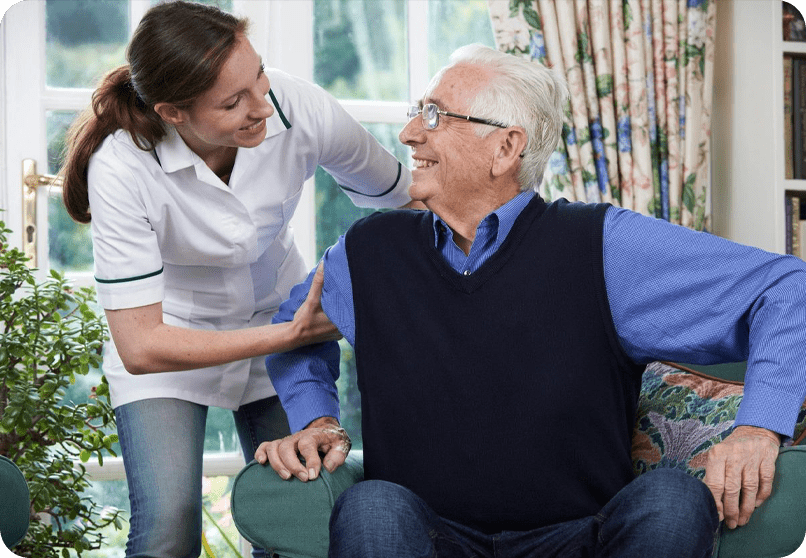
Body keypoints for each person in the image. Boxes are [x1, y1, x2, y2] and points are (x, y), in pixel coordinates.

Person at [255, 44, 806, 558]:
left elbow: (788, 286)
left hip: (581, 537)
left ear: (505, 148)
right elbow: (293, 329)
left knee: (673, 500)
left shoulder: (606, 246)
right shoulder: (368, 251)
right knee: (372, 505)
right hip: (429, 534)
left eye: (433, 116)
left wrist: (759, 426)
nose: (407, 134)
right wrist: (317, 419)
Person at [59, 2, 413, 557]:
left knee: (294, 518)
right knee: (167, 532)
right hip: (172, 338)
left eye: (260, 76)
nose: (262, 106)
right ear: (173, 112)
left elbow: (405, 200)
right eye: (233, 102)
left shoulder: (295, 106)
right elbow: (141, 346)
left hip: (277, 315)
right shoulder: (122, 165)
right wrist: (291, 334)